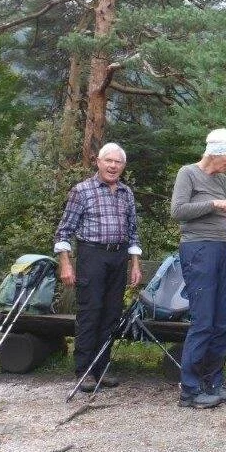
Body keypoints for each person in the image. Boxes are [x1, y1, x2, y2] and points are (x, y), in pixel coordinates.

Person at [54, 142, 142, 392]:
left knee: (111, 314)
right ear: (99, 162)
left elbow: (133, 232)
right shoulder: (82, 191)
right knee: (90, 312)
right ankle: (84, 371)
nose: (113, 166)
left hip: (119, 258)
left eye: (118, 162)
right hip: (91, 256)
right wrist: (66, 264)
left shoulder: (126, 193)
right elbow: (64, 231)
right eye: (109, 161)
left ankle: (101, 368)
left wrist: (134, 264)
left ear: (123, 166)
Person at [170, 128, 226, 409]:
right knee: (203, 319)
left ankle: (214, 382)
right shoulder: (187, 173)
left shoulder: (222, 178)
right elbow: (178, 211)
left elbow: (222, 214)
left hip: (223, 247)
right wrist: (213, 204)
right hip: (198, 248)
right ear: (216, 152)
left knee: (223, 318)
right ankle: (190, 389)